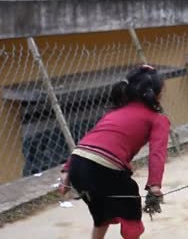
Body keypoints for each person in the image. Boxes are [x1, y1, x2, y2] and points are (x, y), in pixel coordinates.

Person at [59, 65, 171, 239]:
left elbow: (90, 139)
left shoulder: (114, 113)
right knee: (131, 212)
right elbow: (157, 154)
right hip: (104, 167)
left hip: (78, 165)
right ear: (158, 94)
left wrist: (67, 169)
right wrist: (154, 185)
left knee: (101, 213)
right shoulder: (158, 119)